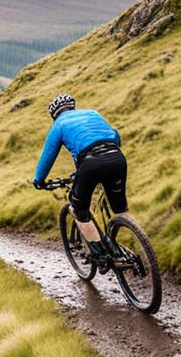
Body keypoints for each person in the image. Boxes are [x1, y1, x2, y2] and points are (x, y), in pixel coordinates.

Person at [32, 94, 130, 262]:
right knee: (120, 208)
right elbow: (115, 135)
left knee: (79, 208)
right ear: (73, 107)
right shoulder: (93, 113)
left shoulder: (59, 124)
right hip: (117, 158)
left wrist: (39, 180)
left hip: (91, 164)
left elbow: (48, 155)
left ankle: (100, 254)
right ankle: (140, 241)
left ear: (54, 114)